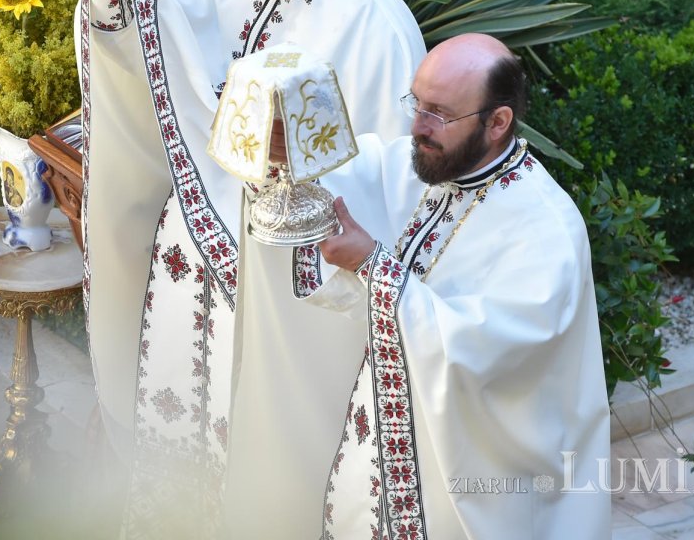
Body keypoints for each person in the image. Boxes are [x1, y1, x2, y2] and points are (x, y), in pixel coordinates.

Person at [74, 0, 426, 536]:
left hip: (280, 298)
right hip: (186, 275)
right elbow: (152, 27)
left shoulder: (377, 29)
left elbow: (394, 188)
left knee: (256, 460)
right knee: (175, 436)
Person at [255, 33, 611, 538]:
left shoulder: (545, 227)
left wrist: (375, 268)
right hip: (383, 452)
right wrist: (290, 152)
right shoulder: (431, 162)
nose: (418, 125)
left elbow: (491, 353)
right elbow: (356, 169)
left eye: (439, 112)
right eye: (416, 103)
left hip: (477, 484)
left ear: (498, 121)